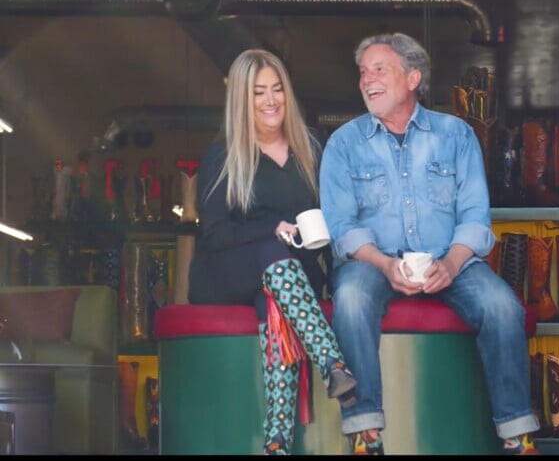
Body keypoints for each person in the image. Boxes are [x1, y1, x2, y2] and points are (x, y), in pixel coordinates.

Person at [319, 33, 540, 455]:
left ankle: (517, 436)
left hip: (449, 259)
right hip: (372, 263)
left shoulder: (455, 135)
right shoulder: (343, 143)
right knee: (350, 298)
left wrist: (452, 263)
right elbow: (341, 226)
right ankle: (366, 436)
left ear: (413, 78)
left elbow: (474, 216)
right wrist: (385, 265)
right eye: (363, 72)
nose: (367, 80)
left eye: (379, 69)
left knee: (502, 306)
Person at [188, 48, 357, 455]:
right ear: (241, 100)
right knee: (272, 252)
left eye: (277, 89)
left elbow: (332, 220)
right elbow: (215, 234)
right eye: (258, 92)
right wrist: (272, 229)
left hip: (291, 278)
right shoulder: (223, 156)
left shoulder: (311, 148)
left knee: (276, 302)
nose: (270, 100)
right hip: (230, 271)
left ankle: (276, 444)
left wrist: (335, 271)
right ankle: (332, 362)